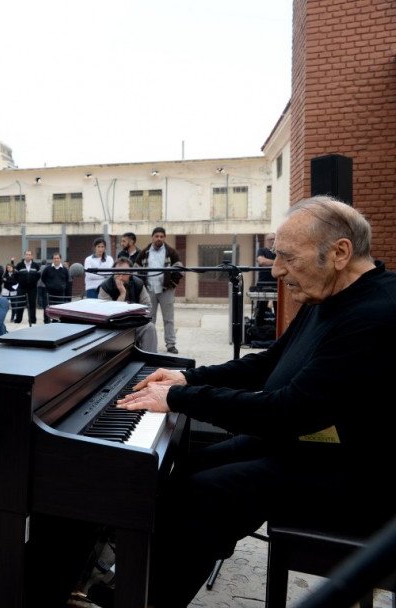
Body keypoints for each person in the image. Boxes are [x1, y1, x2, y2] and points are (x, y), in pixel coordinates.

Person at [116, 196, 396, 606]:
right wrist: (188, 376)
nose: (277, 269)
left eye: (286, 257)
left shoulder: (374, 314)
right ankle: (138, 578)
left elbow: (285, 412)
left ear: (339, 252)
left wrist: (179, 397)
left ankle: (153, 596)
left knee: (207, 493)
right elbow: (269, 363)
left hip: (360, 476)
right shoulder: (328, 294)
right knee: (187, 467)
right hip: (314, 444)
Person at [136, 227, 183, 354]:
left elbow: (180, 269)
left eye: (161, 236)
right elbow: (136, 269)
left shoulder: (171, 252)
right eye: (157, 236)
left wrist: (172, 284)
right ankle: (149, 345)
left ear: (164, 238)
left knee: (169, 319)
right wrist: (141, 286)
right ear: (152, 237)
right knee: (149, 319)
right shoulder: (145, 252)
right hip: (149, 290)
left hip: (166, 290)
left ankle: (171, 344)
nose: (159, 239)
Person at [96, 257, 158, 351]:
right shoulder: (105, 286)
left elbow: (148, 306)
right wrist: (122, 294)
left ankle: (150, 360)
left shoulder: (138, 284)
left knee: (149, 327)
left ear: (130, 273)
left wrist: (136, 316)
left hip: (134, 323)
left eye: (124, 273)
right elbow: (105, 313)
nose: (120, 276)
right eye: (117, 272)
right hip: (113, 326)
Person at [254, 232, 278, 324]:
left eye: (274, 239)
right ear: (267, 241)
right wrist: (277, 262)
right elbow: (262, 261)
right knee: (261, 308)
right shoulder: (262, 251)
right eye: (270, 239)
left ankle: (276, 332)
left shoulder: (279, 252)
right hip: (263, 284)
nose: (272, 241)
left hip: (278, 285)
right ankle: (258, 329)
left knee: (278, 310)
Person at [13, 249, 41, 325]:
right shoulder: (19, 265)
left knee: (32, 304)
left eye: (29, 254)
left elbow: (38, 275)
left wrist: (33, 281)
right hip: (22, 288)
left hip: (32, 288)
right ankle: (18, 319)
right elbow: (15, 276)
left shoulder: (36, 266)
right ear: (24, 256)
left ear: (32, 256)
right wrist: (20, 282)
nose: (28, 256)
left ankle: (32, 320)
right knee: (20, 304)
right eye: (27, 254)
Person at [40, 253, 70, 323]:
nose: (56, 260)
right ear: (52, 259)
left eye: (57, 258)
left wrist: (62, 286)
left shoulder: (64, 270)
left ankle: (56, 322)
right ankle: (46, 322)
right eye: (55, 258)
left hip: (60, 293)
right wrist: (49, 285)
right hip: (49, 293)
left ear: (60, 259)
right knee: (47, 308)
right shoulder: (47, 269)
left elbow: (67, 279)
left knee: (59, 309)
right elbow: (43, 278)